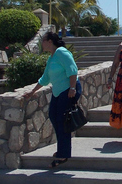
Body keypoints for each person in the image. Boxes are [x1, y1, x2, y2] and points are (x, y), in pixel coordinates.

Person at [24, 32, 82, 167]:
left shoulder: (62, 53)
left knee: (61, 120)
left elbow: (73, 71)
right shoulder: (52, 57)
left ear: (50, 41)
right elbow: (45, 78)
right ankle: (63, 149)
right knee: (54, 117)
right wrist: (32, 91)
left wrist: (72, 89)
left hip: (68, 90)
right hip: (58, 92)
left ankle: (63, 153)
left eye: (43, 40)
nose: (41, 43)